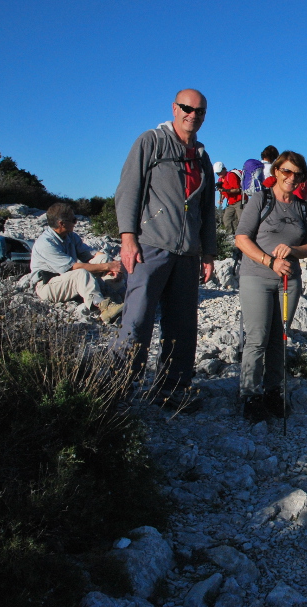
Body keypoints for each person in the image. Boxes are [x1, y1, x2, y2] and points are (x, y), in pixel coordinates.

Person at [112, 89, 217, 411]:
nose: (192, 114)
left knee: (183, 326)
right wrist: (128, 237)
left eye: (199, 110)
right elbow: (129, 189)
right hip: (151, 246)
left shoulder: (201, 155)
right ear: (175, 108)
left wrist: (208, 252)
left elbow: (207, 209)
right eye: (187, 108)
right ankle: (118, 391)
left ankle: (172, 391)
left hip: (187, 253)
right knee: (138, 320)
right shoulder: (151, 141)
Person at [234, 151, 307, 421]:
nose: (291, 178)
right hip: (256, 276)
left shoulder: (303, 207)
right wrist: (269, 261)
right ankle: (249, 394)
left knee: (279, 338)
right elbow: (241, 238)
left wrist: (292, 249)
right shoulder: (260, 199)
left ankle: (273, 391)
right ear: (276, 171)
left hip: (289, 282)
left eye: (298, 174)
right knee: (257, 337)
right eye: (286, 172)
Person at [30, 202, 124, 323]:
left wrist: (112, 265)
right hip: (48, 285)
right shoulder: (45, 244)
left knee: (104, 258)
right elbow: (72, 267)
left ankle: (123, 295)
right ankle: (103, 307)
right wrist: (108, 266)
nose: (76, 223)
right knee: (81, 273)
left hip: (67, 278)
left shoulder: (71, 236)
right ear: (61, 223)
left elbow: (91, 254)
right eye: (73, 220)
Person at [219, 163, 245, 235]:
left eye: (220, 172)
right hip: (231, 202)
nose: (219, 174)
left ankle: (242, 235)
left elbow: (237, 189)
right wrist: (221, 199)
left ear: (224, 169)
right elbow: (223, 192)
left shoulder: (231, 176)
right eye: (217, 173)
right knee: (227, 218)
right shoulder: (220, 179)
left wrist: (225, 190)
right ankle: (230, 235)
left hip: (240, 200)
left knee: (241, 219)